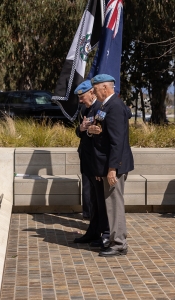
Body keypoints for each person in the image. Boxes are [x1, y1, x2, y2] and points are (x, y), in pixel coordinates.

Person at [87, 74, 134, 257]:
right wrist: (91, 130)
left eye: (96, 89)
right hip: (107, 164)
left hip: (114, 165)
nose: (93, 92)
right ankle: (115, 239)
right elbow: (101, 131)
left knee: (115, 204)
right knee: (111, 204)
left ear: (105, 88)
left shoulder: (114, 106)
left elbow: (117, 142)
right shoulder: (105, 105)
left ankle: (119, 243)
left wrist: (112, 168)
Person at [72, 80, 110, 245]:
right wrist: (81, 130)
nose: (80, 100)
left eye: (82, 96)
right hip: (87, 160)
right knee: (91, 199)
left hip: (96, 162)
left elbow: (103, 135)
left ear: (92, 93)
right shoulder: (84, 109)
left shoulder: (100, 109)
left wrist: (88, 132)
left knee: (99, 199)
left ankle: (105, 232)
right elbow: (79, 130)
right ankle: (94, 231)